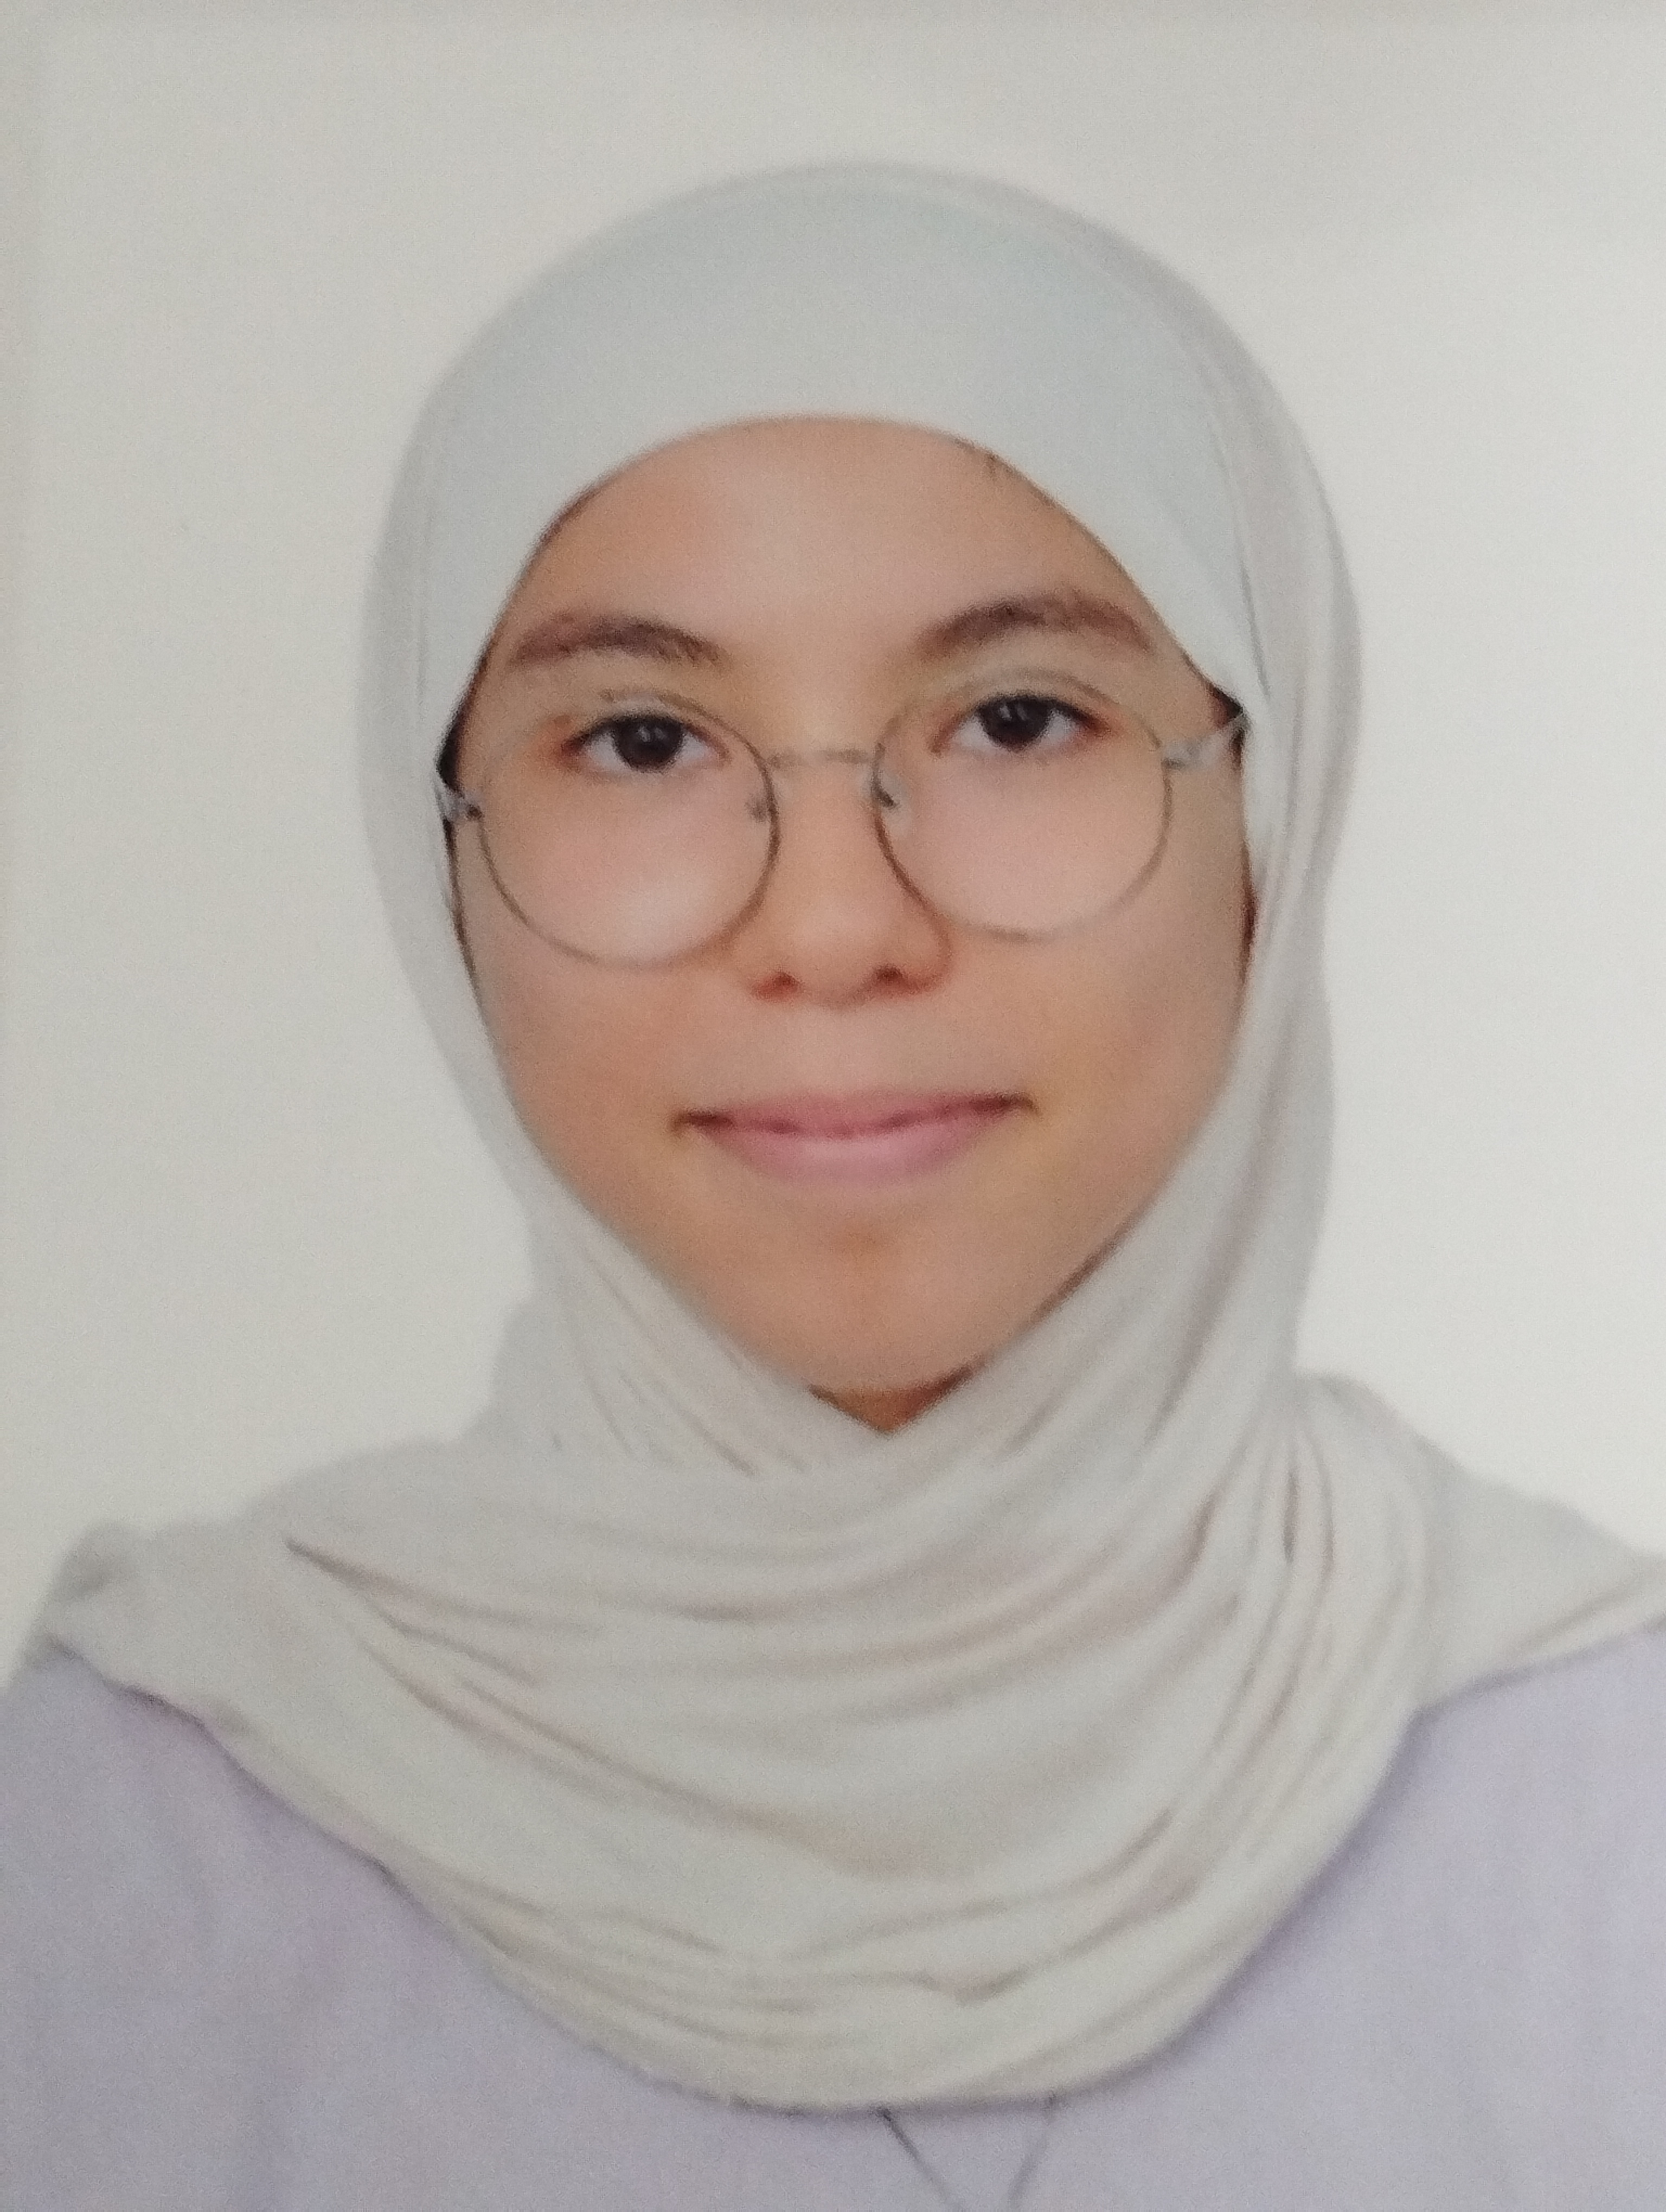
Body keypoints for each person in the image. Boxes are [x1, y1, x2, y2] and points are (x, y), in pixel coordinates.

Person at [3, 164, 1665, 2210]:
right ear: (438, 854)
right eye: (641, 742)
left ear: (1273, 811)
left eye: (1019, 719)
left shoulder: (1606, 1797)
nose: (835, 923)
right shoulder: (126, 1839)